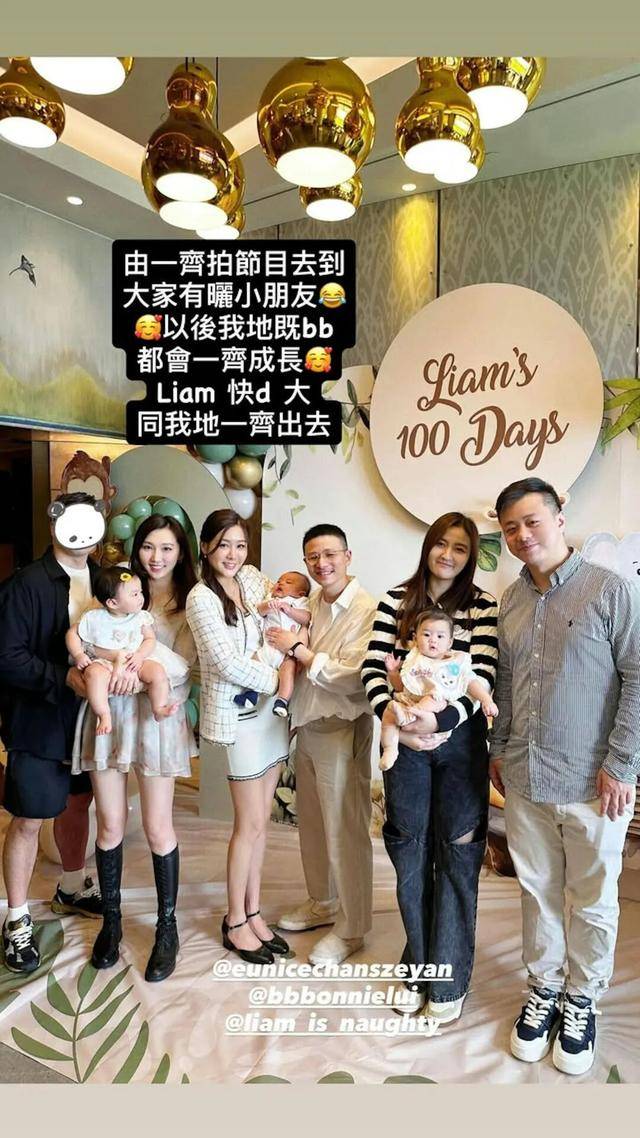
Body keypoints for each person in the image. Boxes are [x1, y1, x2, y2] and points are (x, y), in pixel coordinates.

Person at [489, 477, 640, 1075]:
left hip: (595, 782)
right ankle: (546, 988)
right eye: (510, 528)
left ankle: (583, 998)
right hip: (525, 773)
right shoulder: (511, 601)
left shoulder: (610, 590)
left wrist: (622, 764)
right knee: (537, 891)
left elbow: (638, 678)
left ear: (558, 518)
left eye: (532, 521)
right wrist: (498, 749)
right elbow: (505, 681)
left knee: (594, 898)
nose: (522, 535)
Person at [362, 512, 498, 1022]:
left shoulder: (483, 607)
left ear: (470, 557)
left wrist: (438, 720)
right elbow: (373, 668)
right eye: (441, 544)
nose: (448, 555)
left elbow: (483, 676)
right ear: (427, 546)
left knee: (458, 854)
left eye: (460, 548)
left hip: (461, 744)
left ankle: (449, 975)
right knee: (411, 851)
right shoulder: (395, 601)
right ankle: (417, 964)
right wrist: (396, 719)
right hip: (404, 738)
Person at [73, 514, 198, 983]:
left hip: (156, 722)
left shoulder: (191, 603)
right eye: (148, 546)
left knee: (158, 826)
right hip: (108, 716)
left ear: (180, 553)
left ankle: (167, 927)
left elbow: (186, 673)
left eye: (167, 548)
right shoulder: (112, 592)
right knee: (109, 823)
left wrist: (140, 676)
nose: (156, 557)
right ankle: (112, 921)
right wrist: (109, 663)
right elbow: (81, 649)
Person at [0, 491, 106, 975]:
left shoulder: (106, 580)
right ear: (55, 523)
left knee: (78, 802)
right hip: (38, 719)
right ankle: (17, 918)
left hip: (90, 721)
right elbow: (7, 657)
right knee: (28, 817)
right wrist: (63, 677)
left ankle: (72, 885)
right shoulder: (24, 585)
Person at [268, 524, 376, 967]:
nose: (321, 564)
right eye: (313, 556)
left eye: (330, 554)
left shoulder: (366, 609)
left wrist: (300, 651)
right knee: (311, 823)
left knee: (345, 829)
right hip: (309, 724)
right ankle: (323, 901)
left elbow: (355, 677)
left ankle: (352, 928)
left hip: (343, 726)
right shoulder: (311, 602)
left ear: (348, 556)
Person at [185, 509, 290, 965]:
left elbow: (281, 614)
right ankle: (233, 921)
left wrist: (278, 660)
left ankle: (253, 911)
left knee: (262, 822)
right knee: (246, 826)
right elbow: (225, 664)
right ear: (206, 546)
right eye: (223, 544)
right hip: (241, 718)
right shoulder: (200, 597)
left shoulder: (249, 579)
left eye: (240, 545)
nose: (232, 554)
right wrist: (279, 678)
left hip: (271, 716)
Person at [67, 566, 184, 735]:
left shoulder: (140, 617)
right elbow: (72, 634)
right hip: (103, 661)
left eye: (140, 592)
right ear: (112, 603)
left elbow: (150, 639)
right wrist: (78, 654)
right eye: (134, 594)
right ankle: (103, 714)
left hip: (134, 658)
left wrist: (140, 655)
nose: (141, 598)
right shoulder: (94, 617)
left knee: (158, 671)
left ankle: (159, 707)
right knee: (94, 675)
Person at [380, 606, 498, 771]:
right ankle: (390, 749)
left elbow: (470, 682)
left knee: (434, 699)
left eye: (440, 636)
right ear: (415, 638)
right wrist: (393, 672)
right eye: (426, 635)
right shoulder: (414, 659)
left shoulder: (454, 663)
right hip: (407, 703)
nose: (433, 640)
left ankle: (410, 716)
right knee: (388, 713)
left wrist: (486, 700)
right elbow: (402, 686)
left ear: (450, 642)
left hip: (435, 708)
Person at [234, 570, 311, 717]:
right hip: (268, 647)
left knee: (288, 672)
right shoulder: (270, 598)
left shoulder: (299, 602)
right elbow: (259, 611)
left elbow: (306, 618)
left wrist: (290, 610)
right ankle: (251, 693)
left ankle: (282, 701)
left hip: (287, 653)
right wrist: (268, 606)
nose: (281, 583)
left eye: (288, 582)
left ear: (300, 593)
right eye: (279, 580)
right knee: (254, 663)